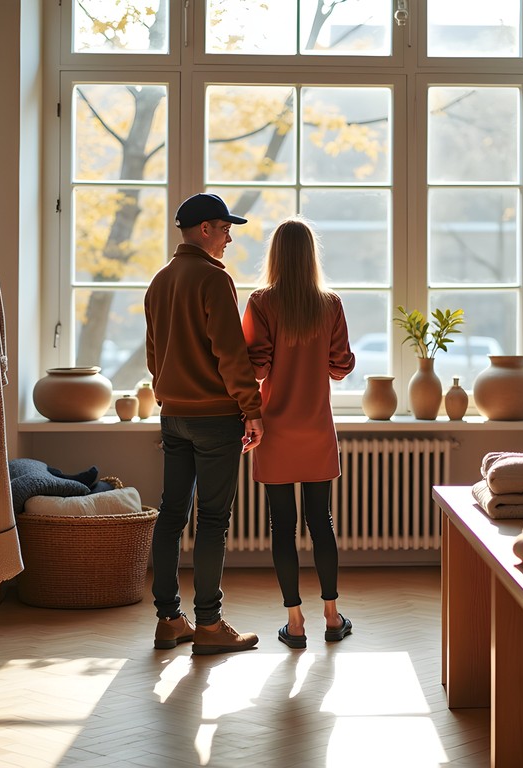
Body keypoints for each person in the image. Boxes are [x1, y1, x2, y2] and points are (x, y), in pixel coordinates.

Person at [144, 192, 265, 655]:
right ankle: (210, 627)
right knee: (213, 520)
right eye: (224, 226)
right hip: (215, 418)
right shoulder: (213, 279)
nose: (230, 236)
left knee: (171, 515)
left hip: (173, 416)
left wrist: (165, 395)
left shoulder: (160, 280)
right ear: (204, 230)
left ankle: (169, 621)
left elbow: (155, 354)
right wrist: (251, 409)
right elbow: (230, 354)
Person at [242, 217, 356, 650]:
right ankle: (331, 616)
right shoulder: (329, 304)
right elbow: (341, 366)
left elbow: (256, 367)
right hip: (316, 430)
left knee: (282, 526)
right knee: (321, 522)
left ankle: (294, 622)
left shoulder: (261, 303)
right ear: (311, 255)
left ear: (274, 255)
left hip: (275, 432)